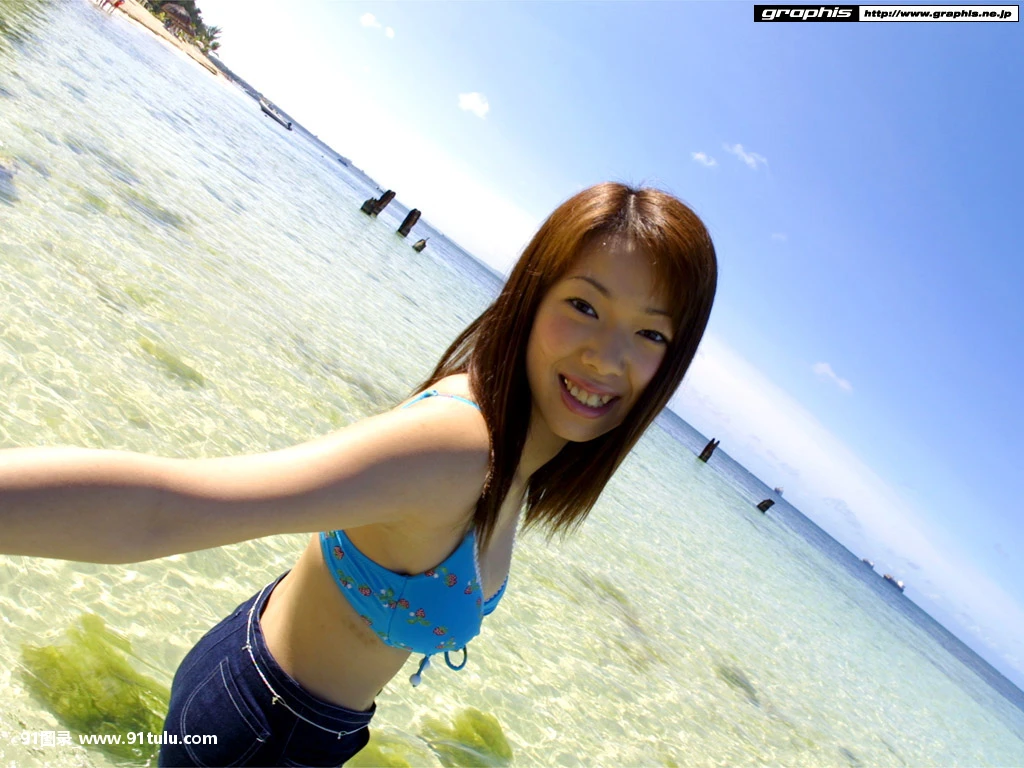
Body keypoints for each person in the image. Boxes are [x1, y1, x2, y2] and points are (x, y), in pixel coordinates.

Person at [0, 182, 717, 766]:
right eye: (584, 306)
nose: (605, 356)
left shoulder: (515, 443)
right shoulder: (461, 448)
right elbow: (166, 507)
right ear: (531, 298)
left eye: (649, 333)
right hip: (266, 730)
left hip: (268, 696)